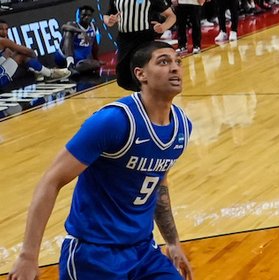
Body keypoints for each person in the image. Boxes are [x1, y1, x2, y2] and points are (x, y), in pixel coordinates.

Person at [8, 42, 194, 280]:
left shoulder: (181, 127)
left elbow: (158, 183)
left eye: (178, 61)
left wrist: (173, 241)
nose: (175, 68)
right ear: (141, 74)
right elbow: (51, 180)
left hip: (143, 252)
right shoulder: (113, 121)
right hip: (93, 255)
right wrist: (28, 256)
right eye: (164, 62)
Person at [104, 0, 176, 91]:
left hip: (144, 39)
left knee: (143, 74)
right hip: (124, 39)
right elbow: (107, 14)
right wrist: (109, 20)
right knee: (123, 78)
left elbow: (171, 16)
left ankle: (146, 100)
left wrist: (163, 27)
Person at [0, 20, 72, 84]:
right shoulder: (3, 41)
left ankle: (40, 72)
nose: (4, 32)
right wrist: (33, 59)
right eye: (1, 29)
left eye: (6, 29)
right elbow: (30, 52)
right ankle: (49, 74)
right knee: (21, 54)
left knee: (11, 54)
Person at [60, 6, 104, 75]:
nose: (86, 17)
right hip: (64, 56)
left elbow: (94, 45)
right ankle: (70, 64)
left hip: (80, 58)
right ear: (79, 15)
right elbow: (63, 27)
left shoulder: (93, 26)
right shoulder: (73, 24)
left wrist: (96, 59)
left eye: (89, 15)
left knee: (96, 64)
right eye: (84, 15)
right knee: (68, 32)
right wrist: (81, 31)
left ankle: (72, 69)